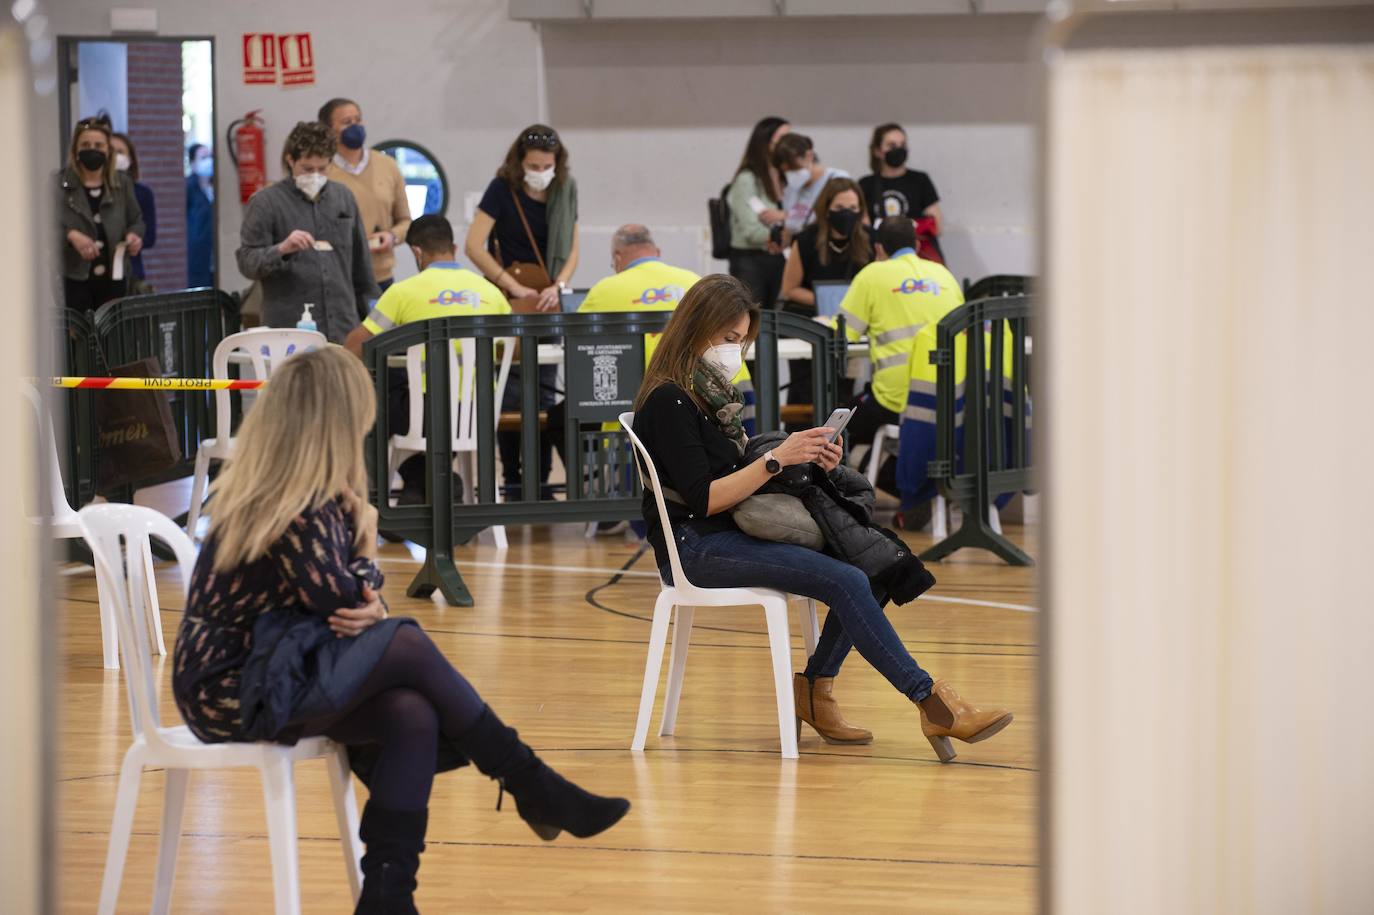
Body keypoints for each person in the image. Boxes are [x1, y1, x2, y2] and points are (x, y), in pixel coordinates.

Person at [172, 345, 629, 913]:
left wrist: (364, 583)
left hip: (274, 670)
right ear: (336, 425)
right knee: (406, 638)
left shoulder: (293, 497)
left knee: (411, 711)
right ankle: (530, 782)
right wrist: (365, 549)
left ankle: (389, 897)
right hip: (236, 690)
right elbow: (338, 599)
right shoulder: (292, 506)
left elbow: (342, 602)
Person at [629, 274, 1012, 758]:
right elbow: (705, 498)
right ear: (697, 328)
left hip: (729, 530)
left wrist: (803, 455)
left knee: (871, 566)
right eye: (728, 339)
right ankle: (931, 702)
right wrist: (776, 460)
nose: (734, 351)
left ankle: (815, 690)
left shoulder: (708, 395)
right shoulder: (669, 399)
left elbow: (734, 470)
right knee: (846, 580)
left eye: (740, 341)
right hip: (695, 545)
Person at [344, 214, 511, 505]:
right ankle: (431, 481)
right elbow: (512, 346)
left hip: (424, 413)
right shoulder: (491, 292)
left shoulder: (403, 292)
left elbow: (356, 345)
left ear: (416, 251)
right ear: (454, 249)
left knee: (369, 403)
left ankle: (377, 500)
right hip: (477, 413)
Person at [464, 125, 580, 499]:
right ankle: (512, 480)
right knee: (509, 392)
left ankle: (541, 481)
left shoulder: (565, 190)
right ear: (519, 161)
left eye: (546, 164)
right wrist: (512, 286)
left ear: (557, 163)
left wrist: (558, 286)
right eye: (533, 164)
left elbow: (573, 247)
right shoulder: (502, 189)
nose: (540, 170)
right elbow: (473, 245)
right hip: (511, 299)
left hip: (548, 301)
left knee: (545, 393)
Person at [836, 216, 963, 487]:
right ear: (917, 245)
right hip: (951, 396)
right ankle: (924, 488)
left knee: (839, 428)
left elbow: (842, 335)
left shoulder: (872, 274)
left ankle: (907, 487)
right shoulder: (944, 274)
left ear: (879, 249)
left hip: (895, 400)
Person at [236, 121, 379, 343]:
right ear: (290, 160)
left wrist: (373, 321)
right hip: (288, 329)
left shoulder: (344, 198)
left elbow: (362, 268)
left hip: (343, 327)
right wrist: (282, 249)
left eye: (322, 169)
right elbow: (247, 262)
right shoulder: (266, 202)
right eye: (307, 169)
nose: (315, 175)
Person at [779, 177, 872, 415]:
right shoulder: (807, 239)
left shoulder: (869, 240)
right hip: (812, 323)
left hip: (851, 327)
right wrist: (825, 302)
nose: (847, 214)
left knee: (844, 389)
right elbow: (790, 289)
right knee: (805, 388)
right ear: (826, 209)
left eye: (853, 208)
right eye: (840, 209)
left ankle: (839, 442)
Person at [321, 97, 413, 293]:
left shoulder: (387, 165)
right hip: (336, 276)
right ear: (329, 130)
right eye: (347, 122)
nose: (355, 126)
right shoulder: (323, 170)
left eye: (358, 120)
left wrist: (392, 237)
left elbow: (406, 221)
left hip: (380, 275)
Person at [59, 117, 145, 311]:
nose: (92, 149)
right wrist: (70, 235)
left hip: (115, 277)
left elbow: (137, 220)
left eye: (99, 145)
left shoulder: (122, 184)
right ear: (75, 149)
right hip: (74, 278)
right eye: (86, 145)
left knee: (113, 336)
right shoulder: (59, 185)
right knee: (79, 336)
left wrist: (134, 236)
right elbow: (45, 227)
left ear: (108, 150)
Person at [725, 116, 790, 309]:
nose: (788, 145)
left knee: (779, 321)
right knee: (752, 318)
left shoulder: (788, 178)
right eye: (782, 139)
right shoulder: (747, 180)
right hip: (751, 260)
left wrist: (785, 219)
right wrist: (786, 235)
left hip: (780, 257)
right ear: (765, 142)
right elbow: (751, 230)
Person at [857, 123, 944, 264]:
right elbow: (863, 229)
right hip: (881, 256)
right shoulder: (866, 184)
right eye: (892, 145)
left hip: (917, 257)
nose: (898, 149)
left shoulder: (920, 180)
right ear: (878, 151)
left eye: (902, 145)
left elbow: (937, 226)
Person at [772, 133, 848, 244]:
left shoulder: (837, 179)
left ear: (809, 156)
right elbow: (791, 226)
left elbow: (844, 220)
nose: (791, 174)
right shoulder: (791, 188)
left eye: (795, 168)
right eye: (786, 171)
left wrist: (784, 216)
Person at [110, 132, 156, 285]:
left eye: (120, 152)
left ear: (130, 159)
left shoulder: (142, 193)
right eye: (111, 151)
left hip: (132, 271)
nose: (115, 156)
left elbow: (149, 236)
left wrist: (133, 238)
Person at [186, 143, 215, 288]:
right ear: (192, 163)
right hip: (196, 255)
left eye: (210, 157)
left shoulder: (216, 187)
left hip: (213, 254)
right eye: (203, 158)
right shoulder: (188, 188)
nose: (208, 161)